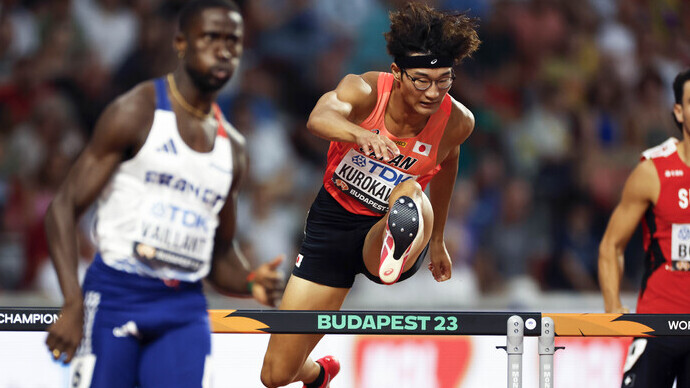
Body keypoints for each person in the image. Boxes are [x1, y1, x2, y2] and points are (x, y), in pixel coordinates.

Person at [43, 1, 284, 386]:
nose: (224, 50)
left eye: (234, 41)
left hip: (183, 307)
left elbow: (220, 255)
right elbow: (62, 208)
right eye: (211, 37)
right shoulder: (136, 111)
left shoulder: (233, 149)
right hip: (117, 295)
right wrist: (71, 302)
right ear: (181, 43)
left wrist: (253, 281)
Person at [260, 3, 480, 388]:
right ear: (397, 73)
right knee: (275, 374)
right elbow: (318, 118)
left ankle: (395, 248)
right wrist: (361, 134)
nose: (433, 92)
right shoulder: (362, 89)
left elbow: (448, 165)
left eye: (444, 80)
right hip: (331, 228)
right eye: (422, 80)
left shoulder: (457, 120)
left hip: (386, 227)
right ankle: (318, 374)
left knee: (409, 189)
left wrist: (440, 239)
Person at [599, 69, 690, 388]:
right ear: (678, 111)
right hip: (656, 324)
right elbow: (611, 245)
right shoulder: (653, 171)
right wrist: (612, 307)